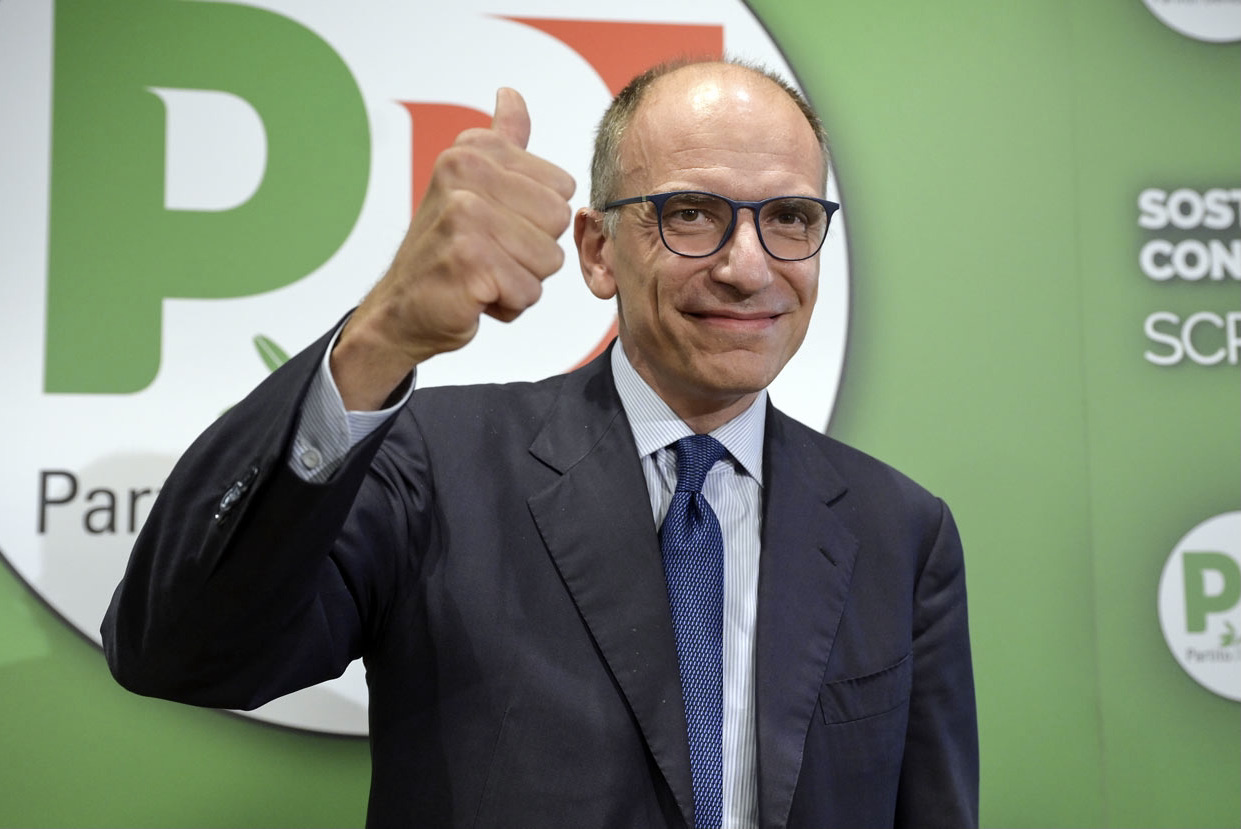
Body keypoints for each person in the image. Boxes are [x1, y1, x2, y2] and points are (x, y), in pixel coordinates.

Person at [102, 59, 978, 829]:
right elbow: (179, 649)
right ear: (598, 250)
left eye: (788, 217)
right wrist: (382, 334)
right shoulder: (435, 464)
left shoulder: (900, 532)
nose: (747, 266)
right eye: (690, 213)